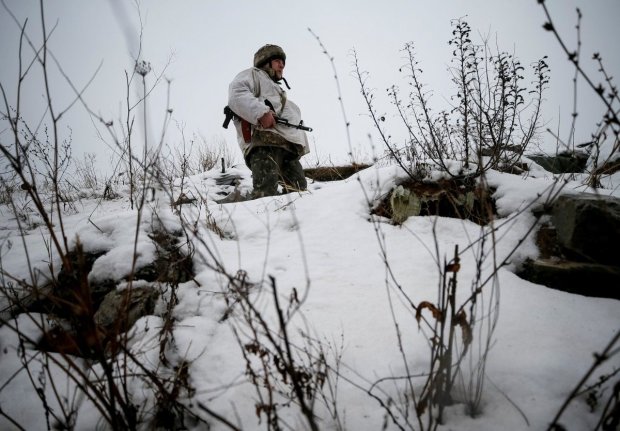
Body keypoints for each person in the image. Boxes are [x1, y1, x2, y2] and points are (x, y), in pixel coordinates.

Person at [228, 44, 310, 198]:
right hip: (264, 144)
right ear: (266, 62)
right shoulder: (253, 75)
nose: (282, 65)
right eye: (278, 61)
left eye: (283, 62)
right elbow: (237, 94)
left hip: (288, 148)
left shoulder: (277, 89)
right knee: (266, 194)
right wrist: (261, 113)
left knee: (299, 194)